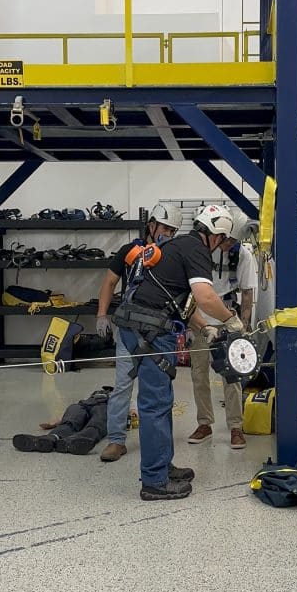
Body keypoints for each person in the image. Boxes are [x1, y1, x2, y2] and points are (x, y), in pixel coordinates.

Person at [114, 204, 243, 501]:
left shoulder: (179, 245)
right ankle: (154, 481)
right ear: (216, 235)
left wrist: (204, 328)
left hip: (139, 326)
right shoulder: (197, 250)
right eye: (222, 240)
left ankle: (162, 465)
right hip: (150, 333)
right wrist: (230, 319)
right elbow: (205, 297)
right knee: (155, 404)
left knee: (161, 401)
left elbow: (179, 303)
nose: (221, 245)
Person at [96, 202, 183, 463]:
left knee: (157, 390)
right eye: (164, 228)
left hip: (159, 332)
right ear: (151, 225)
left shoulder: (171, 256)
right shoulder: (129, 251)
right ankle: (116, 440)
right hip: (129, 329)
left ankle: (156, 445)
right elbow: (109, 282)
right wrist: (101, 314)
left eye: (172, 231)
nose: (167, 234)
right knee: (123, 384)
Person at [187, 210, 258, 450]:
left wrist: (243, 326)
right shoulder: (200, 250)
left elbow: (247, 293)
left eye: (232, 241)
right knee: (199, 374)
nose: (227, 244)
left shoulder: (243, 255)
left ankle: (236, 426)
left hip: (228, 319)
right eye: (225, 239)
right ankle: (204, 423)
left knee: (232, 375)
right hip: (199, 319)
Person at [13, 387, 113, 455]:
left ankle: (75, 440)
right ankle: (51, 438)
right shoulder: (93, 396)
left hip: (107, 406)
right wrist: (58, 420)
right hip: (84, 405)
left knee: (96, 424)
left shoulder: (119, 396)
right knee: (70, 420)